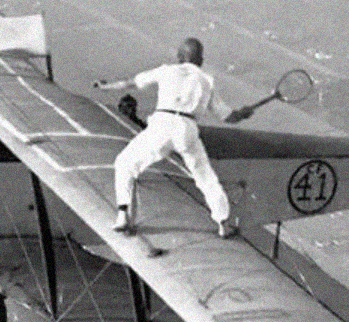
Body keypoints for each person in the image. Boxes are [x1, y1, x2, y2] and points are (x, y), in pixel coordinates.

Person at [94, 38, 254, 238]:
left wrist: (106, 87)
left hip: (162, 124)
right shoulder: (206, 81)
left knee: (125, 163)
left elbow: (132, 83)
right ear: (201, 60)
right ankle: (223, 223)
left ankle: (122, 215)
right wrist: (244, 113)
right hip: (187, 128)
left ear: (180, 57)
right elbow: (229, 117)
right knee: (206, 178)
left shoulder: (167, 70)